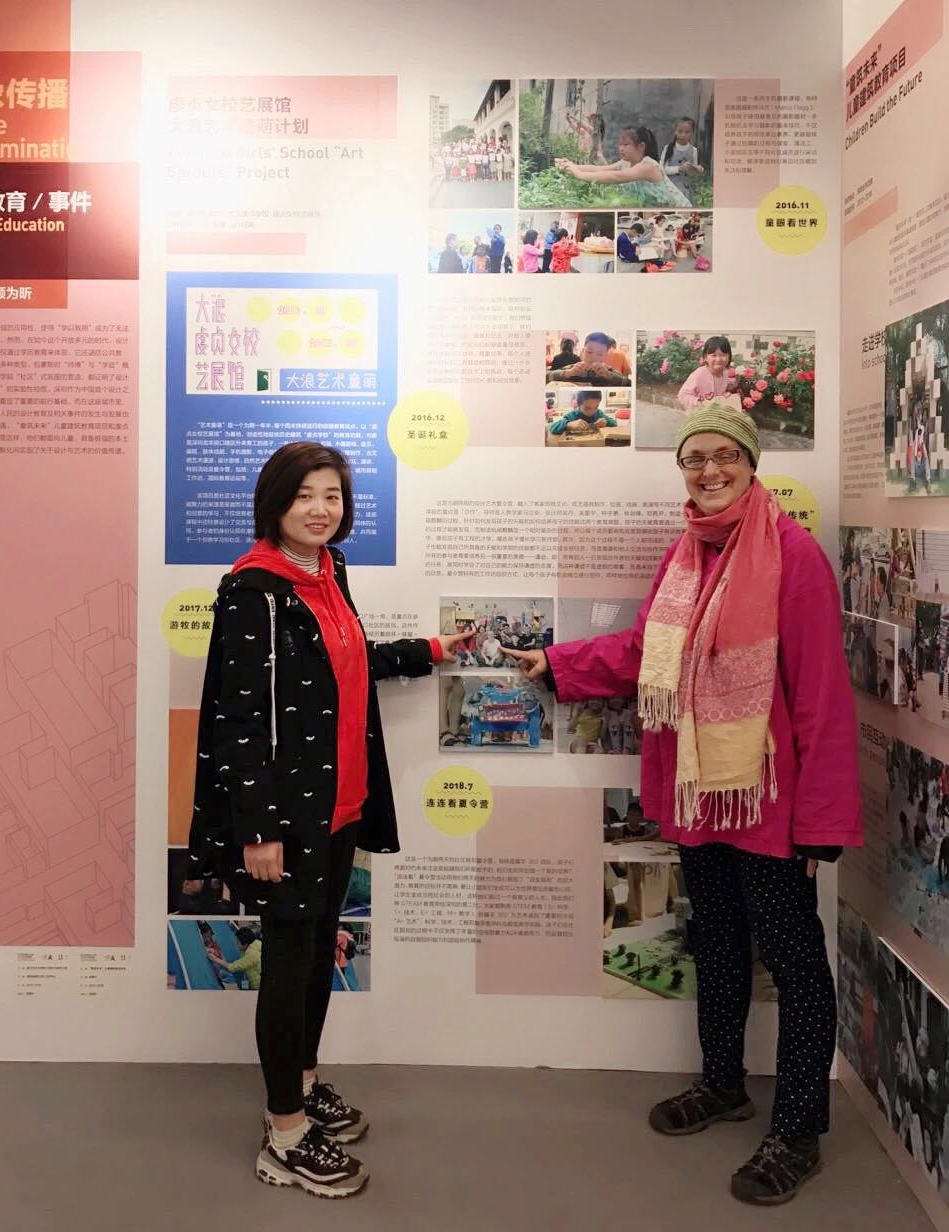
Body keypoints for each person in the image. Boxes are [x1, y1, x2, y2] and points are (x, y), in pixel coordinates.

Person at [508, 405, 862, 1207]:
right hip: (701, 797)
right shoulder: (686, 553)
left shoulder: (795, 556)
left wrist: (822, 822)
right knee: (719, 943)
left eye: (724, 455)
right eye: (694, 458)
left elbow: (821, 695)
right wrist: (558, 663)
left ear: (751, 461)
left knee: (796, 964)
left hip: (768, 803)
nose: (709, 471)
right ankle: (723, 1083)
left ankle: (798, 1130)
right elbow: (645, 652)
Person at [186, 442, 465, 1198]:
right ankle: (283, 1134)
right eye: (304, 495)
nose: (320, 509)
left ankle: (303, 1086)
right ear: (274, 503)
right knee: (286, 966)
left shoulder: (328, 571)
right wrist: (258, 831)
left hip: (340, 806)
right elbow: (239, 721)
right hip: (288, 820)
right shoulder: (253, 591)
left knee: (314, 958)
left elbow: (346, 659)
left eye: (332, 495)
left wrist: (428, 650)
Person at [555, 125, 692, 207]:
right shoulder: (625, 163)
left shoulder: (648, 166)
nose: (621, 148)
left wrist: (579, 174)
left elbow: (617, 177)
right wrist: (571, 165)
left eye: (626, 144)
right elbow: (599, 169)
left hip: (678, 209)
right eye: (620, 144)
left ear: (641, 146)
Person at [677, 336, 742, 412]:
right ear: (705, 357)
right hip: (700, 414)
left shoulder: (726, 373)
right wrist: (701, 403)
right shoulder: (699, 374)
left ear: (729, 357)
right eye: (714, 355)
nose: (718, 359)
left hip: (716, 414)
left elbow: (728, 384)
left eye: (723, 355)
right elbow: (683, 395)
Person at [205, 922, 263, 990]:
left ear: (245, 944)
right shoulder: (256, 944)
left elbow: (232, 967)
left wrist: (215, 959)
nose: (236, 944)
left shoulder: (251, 954)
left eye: (238, 942)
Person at [549, 389, 618, 437]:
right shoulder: (572, 415)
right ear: (578, 405)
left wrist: (606, 421)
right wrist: (568, 424)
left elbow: (614, 423)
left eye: (596, 407)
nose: (592, 411)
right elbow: (552, 428)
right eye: (587, 408)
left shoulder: (599, 413)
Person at [661, 117, 705, 192]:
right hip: (670, 189)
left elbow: (694, 174)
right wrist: (679, 168)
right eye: (680, 131)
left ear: (692, 133)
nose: (683, 134)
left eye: (687, 132)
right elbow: (661, 169)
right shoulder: (668, 148)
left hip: (687, 190)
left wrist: (697, 169)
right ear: (675, 131)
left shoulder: (694, 150)